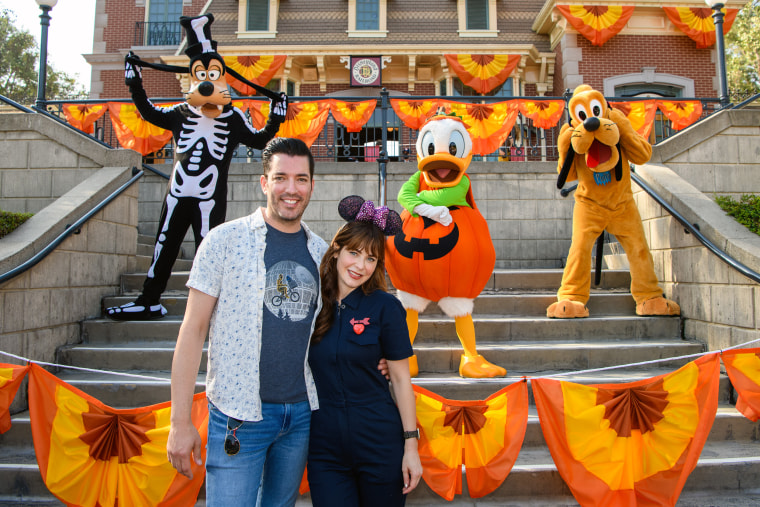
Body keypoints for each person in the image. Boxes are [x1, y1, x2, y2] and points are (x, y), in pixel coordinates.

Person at [166, 137, 325, 506]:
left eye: (301, 179)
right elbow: (192, 331)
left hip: (299, 416)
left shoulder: (321, 252)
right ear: (264, 182)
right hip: (237, 415)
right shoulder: (224, 241)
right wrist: (179, 422)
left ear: (312, 186)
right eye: (281, 177)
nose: (291, 189)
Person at [307, 195, 423, 506]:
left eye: (371, 259)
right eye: (354, 253)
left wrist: (410, 447)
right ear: (336, 251)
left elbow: (400, 380)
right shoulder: (312, 304)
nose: (360, 266)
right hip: (325, 449)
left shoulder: (386, 307)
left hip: (379, 443)